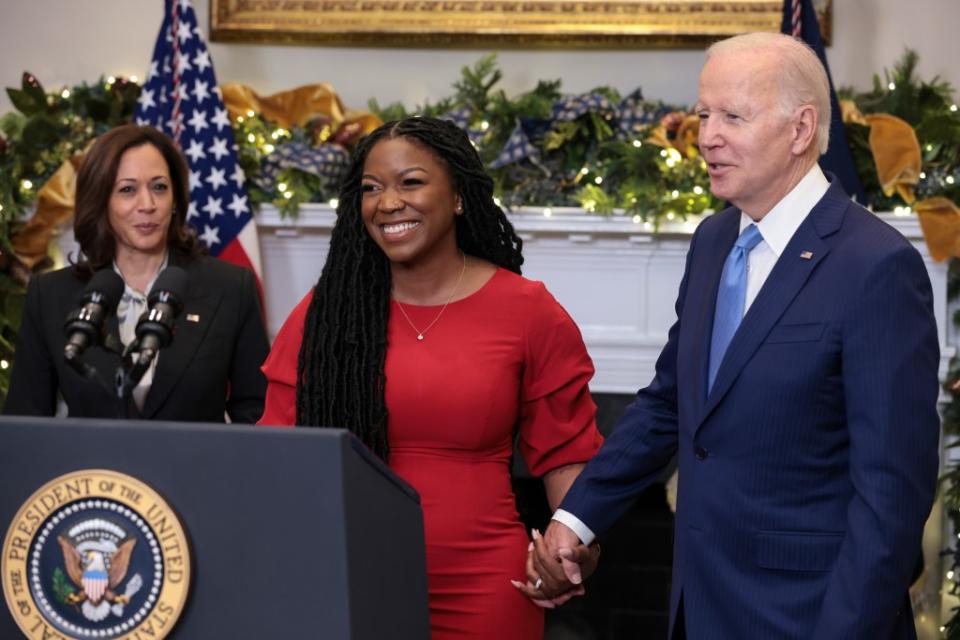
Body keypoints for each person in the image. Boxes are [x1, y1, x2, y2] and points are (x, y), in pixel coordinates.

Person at [521, 32, 941, 639]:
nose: (707, 136)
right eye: (703, 115)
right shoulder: (714, 242)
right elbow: (670, 403)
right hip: (699, 607)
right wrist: (577, 517)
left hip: (810, 617)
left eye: (732, 117)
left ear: (800, 130)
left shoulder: (877, 267)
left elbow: (890, 499)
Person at [258, 116, 603, 638]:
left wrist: (576, 546)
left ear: (460, 196)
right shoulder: (326, 315)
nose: (388, 202)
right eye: (371, 189)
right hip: (349, 578)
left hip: (486, 586)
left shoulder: (527, 310)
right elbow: (278, 457)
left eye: (410, 182)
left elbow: (567, 454)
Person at [4, 124, 268, 423]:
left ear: (175, 199)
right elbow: (25, 422)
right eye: (127, 190)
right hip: (96, 469)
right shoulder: (50, 295)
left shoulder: (230, 287)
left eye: (159, 187)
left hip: (197, 468)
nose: (148, 205)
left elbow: (257, 414)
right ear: (101, 200)